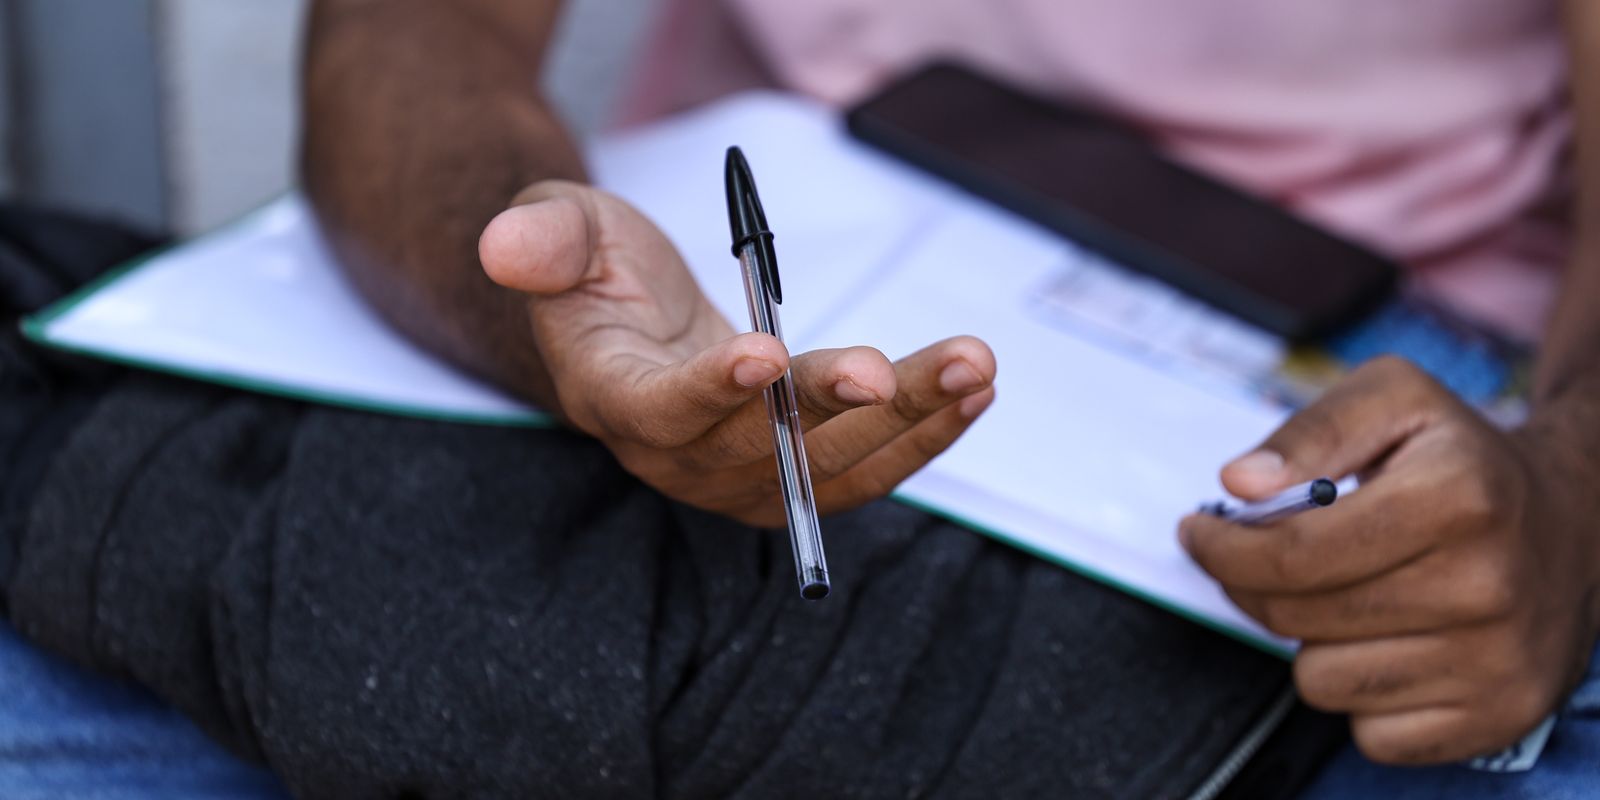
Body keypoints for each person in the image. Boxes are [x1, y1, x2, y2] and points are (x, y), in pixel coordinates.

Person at [301, 0, 1600, 791]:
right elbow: (406, 25)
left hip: (1432, 417)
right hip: (715, 266)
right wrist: (541, 304)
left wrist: (1572, 492)